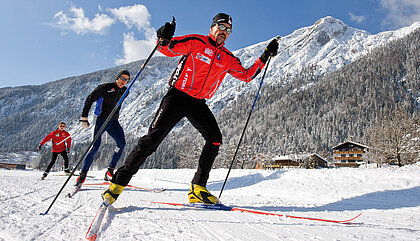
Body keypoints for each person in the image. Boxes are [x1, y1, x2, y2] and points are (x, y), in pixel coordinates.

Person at [102, 13, 278, 205]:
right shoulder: (196, 42)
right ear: (212, 27)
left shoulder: (227, 58)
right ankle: (116, 186)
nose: (225, 32)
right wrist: (164, 36)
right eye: (222, 27)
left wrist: (264, 56)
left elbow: (245, 75)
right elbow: (167, 48)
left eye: (229, 30)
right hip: (177, 97)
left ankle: (198, 188)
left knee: (215, 139)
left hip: (198, 103)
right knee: (151, 142)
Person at [75, 69, 130, 187]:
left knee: (121, 144)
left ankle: (110, 170)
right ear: (117, 77)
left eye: (126, 80)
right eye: (122, 78)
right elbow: (89, 99)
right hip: (101, 120)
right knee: (95, 147)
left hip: (113, 122)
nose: (123, 81)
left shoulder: (125, 91)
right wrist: (84, 117)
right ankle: (82, 175)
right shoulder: (105, 87)